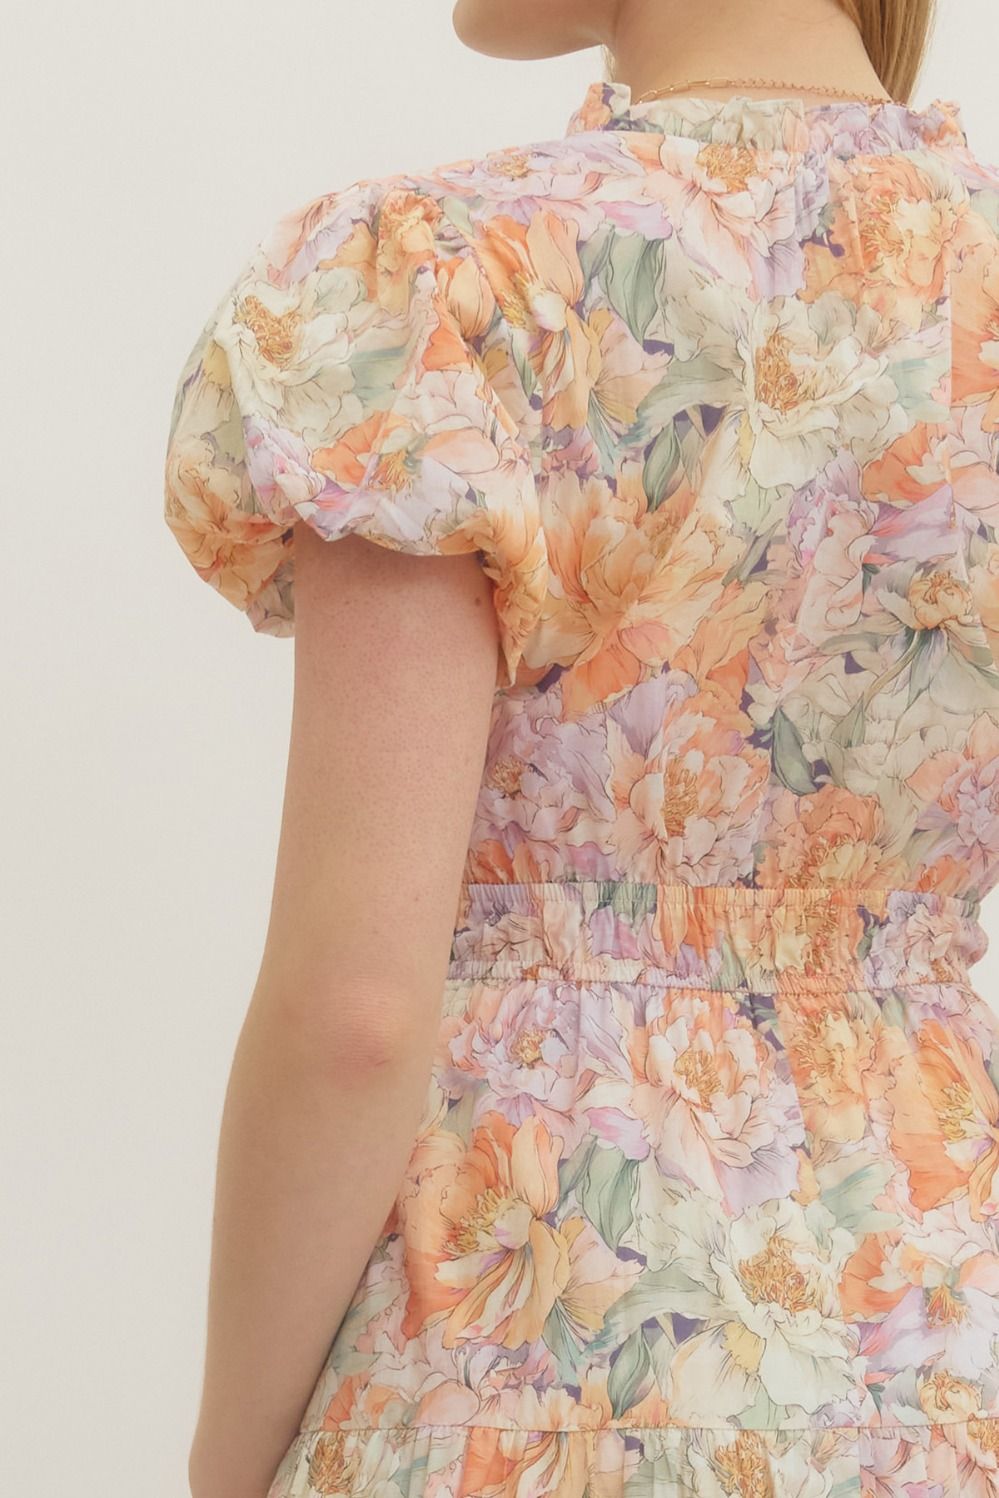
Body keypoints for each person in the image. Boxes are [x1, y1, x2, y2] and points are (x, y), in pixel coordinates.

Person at [163, 0, 999, 1493]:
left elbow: (356, 1016)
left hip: (512, 1389)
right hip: (945, 1374)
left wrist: (229, 1467)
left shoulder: (453, 289)